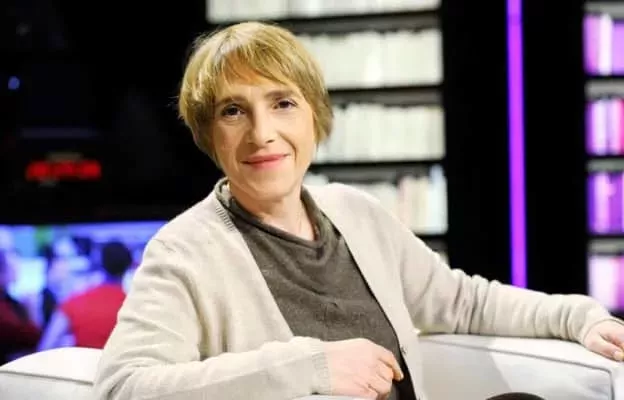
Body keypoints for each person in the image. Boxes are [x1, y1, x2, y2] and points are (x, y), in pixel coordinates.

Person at [93, 21, 624, 400]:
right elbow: (124, 386)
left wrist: (577, 318)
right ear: (209, 133)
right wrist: (307, 366)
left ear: (314, 116)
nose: (262, 133)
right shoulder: (183, 252)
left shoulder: (355, 212)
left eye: (282, 103)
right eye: (234, 111)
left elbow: (465, 302)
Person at [38, 241, 132, 350]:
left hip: (81, 361)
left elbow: (45, 346)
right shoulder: (134, 307)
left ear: (100, 263)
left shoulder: (74, 301)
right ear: (128, 266)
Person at [0, 249, 41, 365]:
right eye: (11, 267)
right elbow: (33, 337)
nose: (17, 269)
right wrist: (32, 310)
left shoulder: (10, 300)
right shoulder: (4, 309)